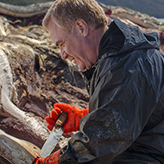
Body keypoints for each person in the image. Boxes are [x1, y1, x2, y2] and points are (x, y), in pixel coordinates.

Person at [33, 0, 164, 163]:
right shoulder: (118, 55)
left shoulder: (129, 64)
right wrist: (86, 116)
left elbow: (101, 143)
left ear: (82, 27)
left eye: (62, 44)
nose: (63, 55)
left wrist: (56, 161)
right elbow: (132, 108)